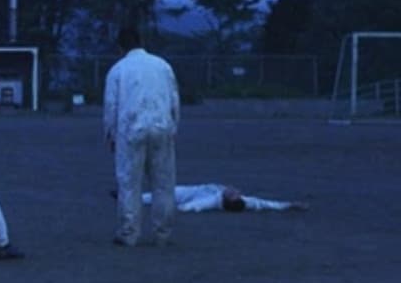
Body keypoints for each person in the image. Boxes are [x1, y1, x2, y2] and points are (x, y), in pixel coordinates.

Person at [104, 25, 180, 247]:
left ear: (120, 47)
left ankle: (129, 233)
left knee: (129, 183)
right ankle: (163, 233)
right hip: (161, 127)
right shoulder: (163, 65)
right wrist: (173, 127)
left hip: (130, 130)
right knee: (163, 183)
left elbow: (111, 106)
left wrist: (110, 134)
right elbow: (174, 99)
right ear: (141, 41)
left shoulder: (118, 70)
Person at [114, 184, 310, 213]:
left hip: (188, 194)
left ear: (227, 200)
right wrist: (289, 205)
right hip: (194, 191)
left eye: (233, 194)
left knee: (163, 194)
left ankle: (128, 198)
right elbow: (266, 203)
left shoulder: (211, 201)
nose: (235, 191)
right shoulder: (245, 202)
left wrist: (178, 208)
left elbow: (192, 207)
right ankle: (130, 197)